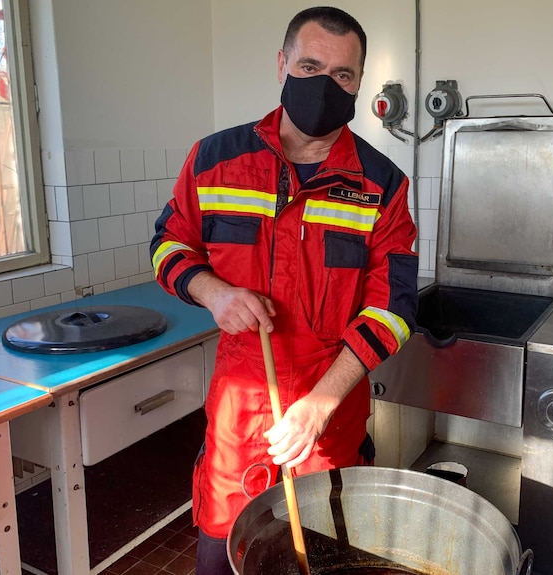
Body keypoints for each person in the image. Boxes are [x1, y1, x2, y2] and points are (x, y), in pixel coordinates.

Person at [150, 6, 418, 574]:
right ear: (282, 65)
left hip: (329, 421)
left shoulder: (382, 186)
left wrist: (320, 405)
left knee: (322, 559)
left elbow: (394, 310)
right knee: (222, 559)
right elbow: (169, 247)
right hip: (238, 414)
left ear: (359, 83)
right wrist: (213, 292)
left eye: (343, 75)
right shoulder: (214, 161)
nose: (326, 85)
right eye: (311, 65)